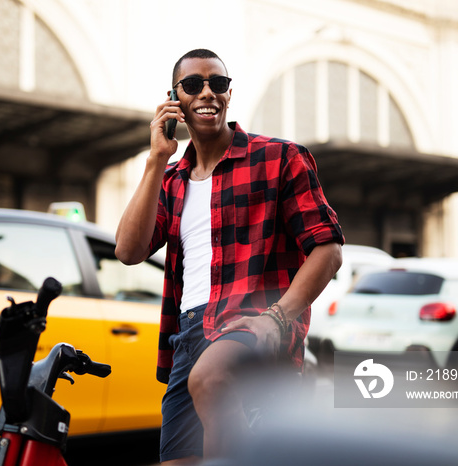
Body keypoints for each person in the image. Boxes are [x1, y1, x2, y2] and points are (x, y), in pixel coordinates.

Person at [115, 49, 344, 464]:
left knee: (211, 376)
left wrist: (276, 316)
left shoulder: (279, 158)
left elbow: (327, 251)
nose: (207, 92)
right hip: (187, 335)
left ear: (229, 94)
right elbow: (128, 251)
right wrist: (155, 160)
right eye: (193, 85)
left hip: (249, 322)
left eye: (217, 83)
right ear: (174, 100)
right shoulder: (171, 180)